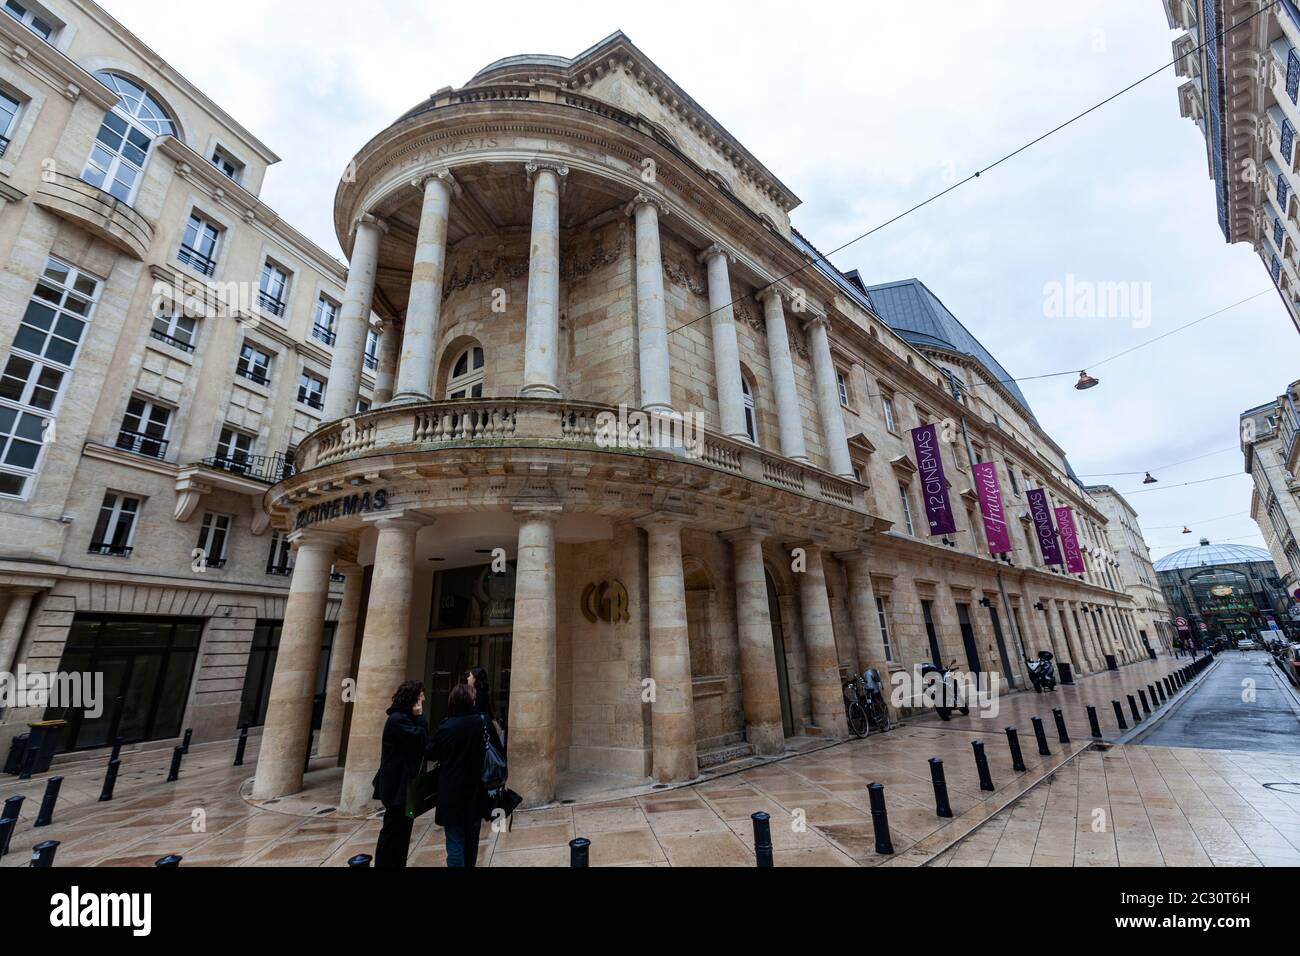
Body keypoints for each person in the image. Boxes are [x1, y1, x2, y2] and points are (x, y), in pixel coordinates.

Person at [430, 683, 488, 867]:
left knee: (454, 841)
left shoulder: (446, 726)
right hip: (475, 788)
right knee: (472, 839)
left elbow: (430, 753)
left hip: (451, 789)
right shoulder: (481, 722)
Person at [371, 679, 428, 868]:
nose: (424, 700)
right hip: (397, 787)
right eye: (420, 697)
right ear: (412, 699)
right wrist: (420, 717)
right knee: (392, 830)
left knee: (403, 830)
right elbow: (421, 740)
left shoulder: (403, 719)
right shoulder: (398, 720)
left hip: (404, 785)